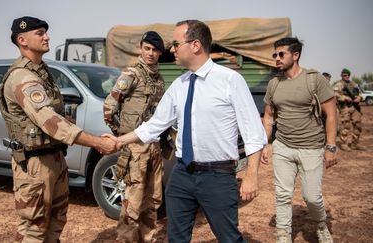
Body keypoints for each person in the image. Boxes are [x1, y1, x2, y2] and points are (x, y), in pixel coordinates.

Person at [111, 19, 267, 242]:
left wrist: (252, 176)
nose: (171, 49)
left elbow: (253, 133)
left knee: (229, 238)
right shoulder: (179, 85)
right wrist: (119, 141)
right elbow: (155, 125)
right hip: (182, 175)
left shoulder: (230, 80)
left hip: (218, 176)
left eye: (176, 44)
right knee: (177, 238)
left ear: (195, 45)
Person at [0, 16, 117, 242]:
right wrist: (99, 142)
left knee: (55, 222)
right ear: (22, 40)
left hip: (53, 158)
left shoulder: (42, 72)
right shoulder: (23, 77)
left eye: (45, 32)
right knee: (35, 229)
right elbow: (50, 122)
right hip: (34, 165)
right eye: (40, 33)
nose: (47, 36)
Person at [261, 37, 337, 243]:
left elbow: (331, 114)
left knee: (312, 197)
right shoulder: (274, 84)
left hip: (311, 147)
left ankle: (321, 225)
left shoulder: (314, 79)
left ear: (296, 55)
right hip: (283, 147)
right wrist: (264, 144)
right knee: (283, 195)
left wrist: (331, 147)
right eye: (274, 54)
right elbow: (268, 117)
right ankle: (283, 235)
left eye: (281, 54)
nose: (277, 58)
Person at [103, 31, 166, 242]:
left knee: (154, 199)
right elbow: (109, 107)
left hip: (154, 146)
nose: (150, 53)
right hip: (135, 147)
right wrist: (121, 135)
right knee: (133, 202)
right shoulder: (131, 74)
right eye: (147, 48)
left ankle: (148, 237)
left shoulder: (158, 79)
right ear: (141, 48)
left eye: (155, 50)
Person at [332, 68, 363, 151]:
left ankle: (354, 143)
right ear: (341, 75)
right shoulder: (338, 84)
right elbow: (335, 94)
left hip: (355, 107)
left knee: (358, 125)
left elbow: (360, 93)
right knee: (346, 126)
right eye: (345, 75)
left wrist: (359, 98)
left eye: (348, 75)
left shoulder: (353, 84)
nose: (347, 76)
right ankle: (343, 144)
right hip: (345, 107)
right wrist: (344, 97)